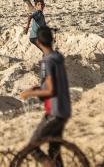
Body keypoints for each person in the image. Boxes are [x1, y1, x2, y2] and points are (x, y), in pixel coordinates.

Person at [18, 26, 71, 162]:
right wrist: (38, 87)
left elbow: (50, 90)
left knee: (33, 147)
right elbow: (51, 83)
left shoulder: (47, 61)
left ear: (38, 43)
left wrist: (29, 93)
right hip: (64, 110)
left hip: (54, 111)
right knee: (54, 151)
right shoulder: (58, 57)